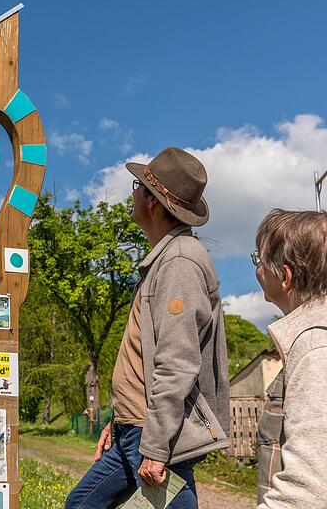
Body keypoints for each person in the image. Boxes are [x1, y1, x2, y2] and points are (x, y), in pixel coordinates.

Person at [65, 147, 230, 509]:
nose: (134, 193)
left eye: (137, 186)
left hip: (150, 431)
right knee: (81, 504)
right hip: (134, 426)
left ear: (153, 202)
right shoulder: (164, 260)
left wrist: (155, 447)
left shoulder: (180, 262)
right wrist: (117, 420)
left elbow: (178, 362)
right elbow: (142, 354)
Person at [253, 210, 327, 508]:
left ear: (285, 277)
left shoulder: (316, 349)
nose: (257, 269)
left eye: (258, 260)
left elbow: (307, 492)